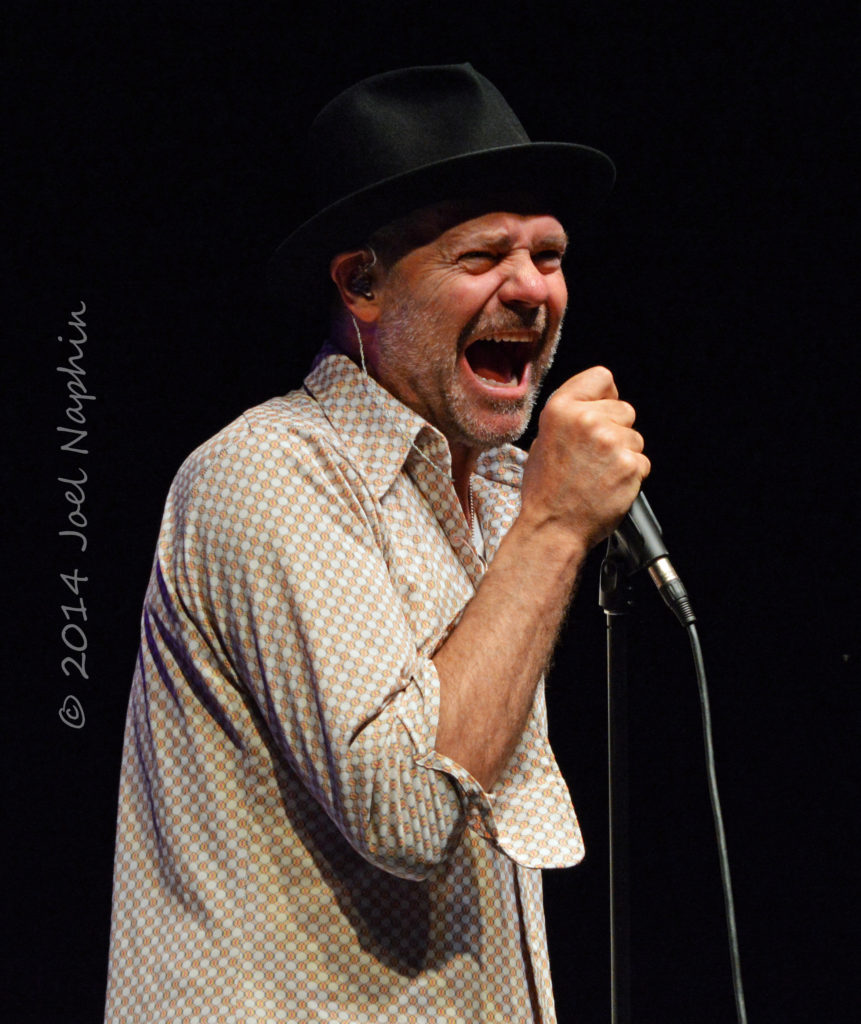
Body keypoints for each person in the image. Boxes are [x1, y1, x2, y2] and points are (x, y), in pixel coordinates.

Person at [104, 64, 649, 1023]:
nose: (530, 289)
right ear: (361, 283)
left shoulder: (489, 495)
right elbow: (407, 810)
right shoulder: (268, 469)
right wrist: (557, 525)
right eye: (482, 256)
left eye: (549, 255)